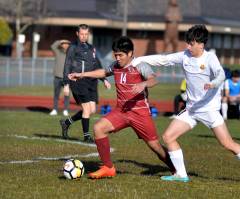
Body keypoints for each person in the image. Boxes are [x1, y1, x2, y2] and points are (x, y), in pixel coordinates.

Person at [132, 25, 240, 187]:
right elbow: (163, 59)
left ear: (201, 44)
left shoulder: (210, 58)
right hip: (192, 110)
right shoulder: (185, 56)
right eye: (187, 43)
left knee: (228, 144)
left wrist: (213, 83)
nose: (188, 47)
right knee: (168, 137)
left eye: (191, 43)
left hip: (209, 111)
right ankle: (181, 174)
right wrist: (139, 60)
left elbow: (221, 74)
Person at [68, 36, 175, 179]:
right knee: (98, 128)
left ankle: (176, 169)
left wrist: (143, 84)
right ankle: (108, 168)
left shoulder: (140, 65)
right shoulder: (116, 66)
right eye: (116, 55)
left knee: (155, 146)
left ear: (130, 53)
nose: (118, 58)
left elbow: (153, 79)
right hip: (122, 111)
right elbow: (103, 72)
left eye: (121, 55)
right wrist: (82, 75)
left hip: (140, 113)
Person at [60, 24, 111, 142]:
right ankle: (87, 137)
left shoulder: (91, 48)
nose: (84, 36)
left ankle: (66, 122)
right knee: (87, 109)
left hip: (91, 82)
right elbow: (67, 64)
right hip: (77, 81)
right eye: (82, 34)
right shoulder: (73, 47)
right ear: (77, 34)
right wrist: (66, 84)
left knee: (92, 110)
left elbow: (97, 65)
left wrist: (104, 79)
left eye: (86, 34)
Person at [49, 40, 71, 116]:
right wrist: (60, 41)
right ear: (61, 45)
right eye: (63, 44)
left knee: (67, 95)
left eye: (67, 44)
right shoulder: (58, 52)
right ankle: (55, 109)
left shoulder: (71, 54)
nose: (65, 45)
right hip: (57, 77)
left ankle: (65, 110)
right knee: (56, 95)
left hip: (66, 78)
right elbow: (53, 46)